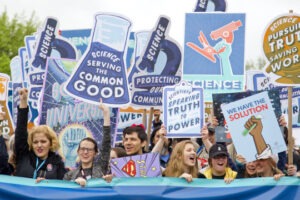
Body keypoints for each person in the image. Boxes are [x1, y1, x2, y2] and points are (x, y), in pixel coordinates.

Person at [15, 88, 66, 182]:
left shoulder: (57, 163)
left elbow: (63, 189)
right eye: (35, 142)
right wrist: (23, 101)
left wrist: (47, 183)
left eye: (43, 141)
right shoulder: (24, 155)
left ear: (51, 143)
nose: (39, 145)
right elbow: (20, 131)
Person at [63, 99, 113, 187]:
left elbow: (106, 143)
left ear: (95, 153)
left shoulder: (101, 169)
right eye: (82, 149)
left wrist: (106, 113)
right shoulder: (69, 175)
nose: (85, 152)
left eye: (89, 149)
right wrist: (74, 182)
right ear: (78, 152)